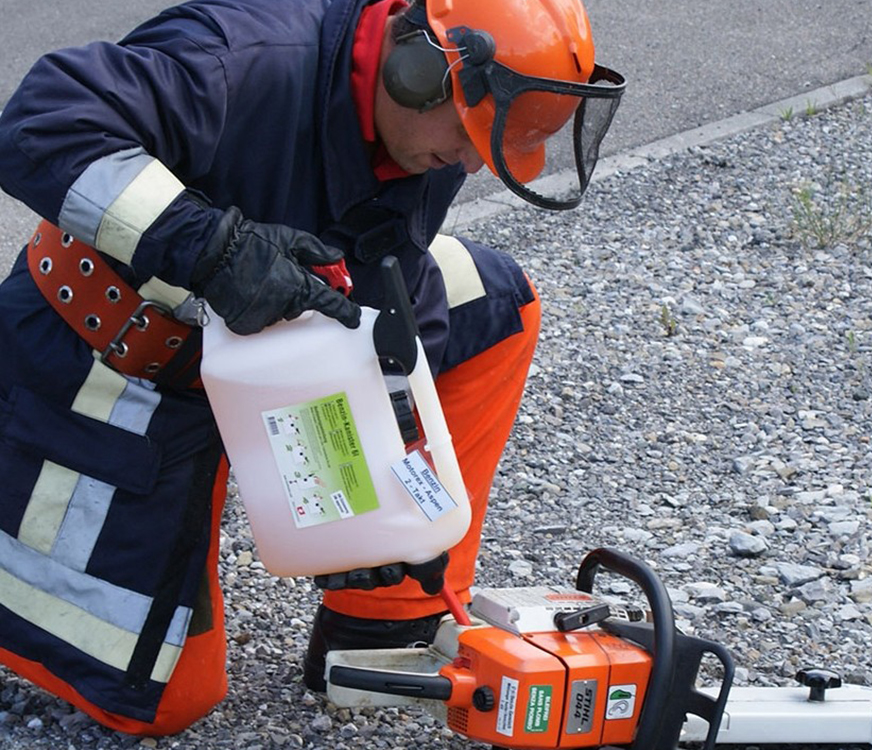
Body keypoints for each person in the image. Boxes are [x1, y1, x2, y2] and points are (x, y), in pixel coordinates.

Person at [0, 0, 624, 736]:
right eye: (467, 132)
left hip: (261, 364)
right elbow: (40, 124)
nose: (469, 162)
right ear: (414, 69)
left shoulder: (426, 134)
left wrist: (380, 503)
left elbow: (388, 283)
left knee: (494, 305)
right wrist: (212, 248)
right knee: (165, 701)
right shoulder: (236, 61)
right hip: (120, 361)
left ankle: (382, 622)